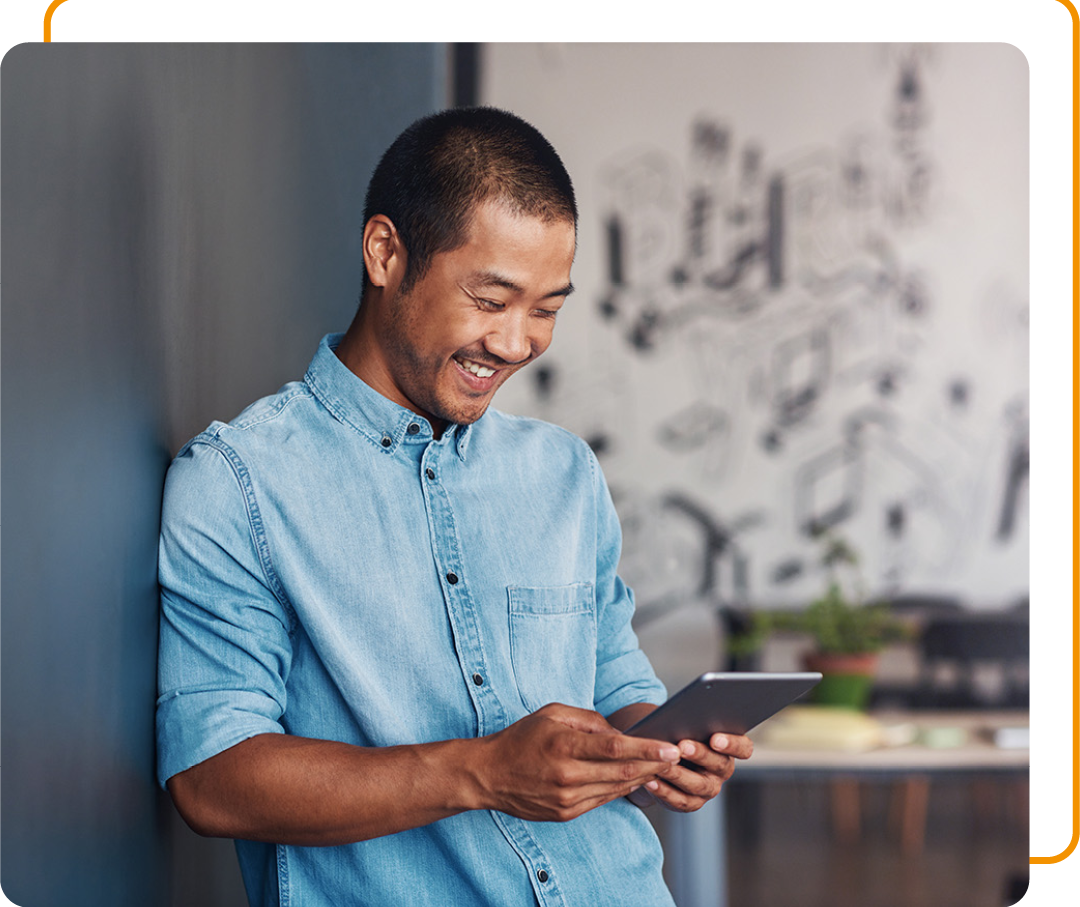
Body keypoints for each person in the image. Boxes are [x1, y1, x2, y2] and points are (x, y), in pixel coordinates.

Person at [156, 106, 753, 907]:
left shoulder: (564, 473)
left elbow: (615, 685)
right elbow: (211, 778)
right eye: (491, 298)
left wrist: (659, 749)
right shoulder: (239, 481)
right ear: (385, 253)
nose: (516, 344)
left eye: (546, 308)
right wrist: (482, 771)